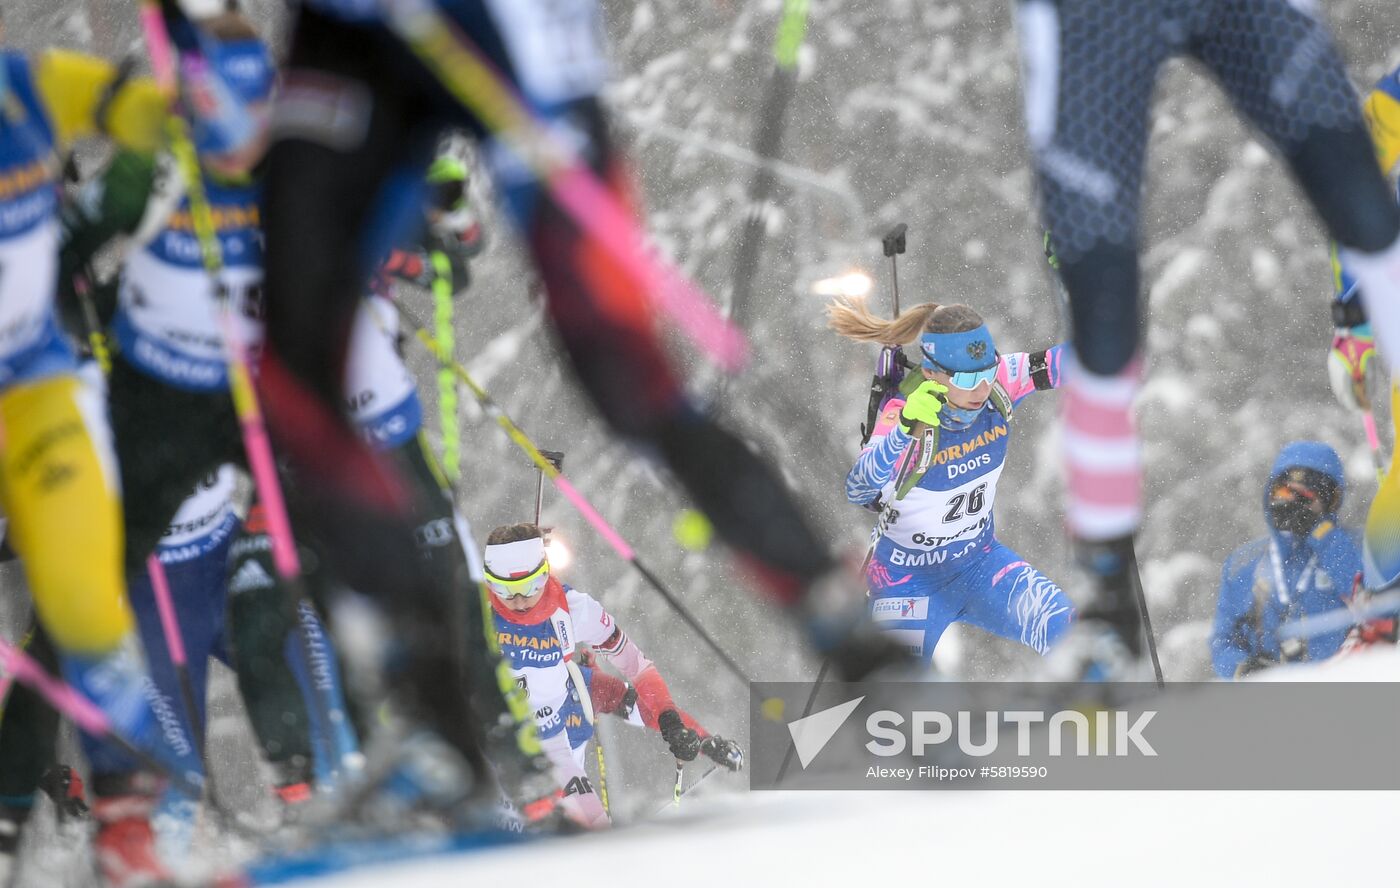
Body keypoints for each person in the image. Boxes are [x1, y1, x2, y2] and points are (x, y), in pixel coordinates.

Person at [257, 0, 905, 688]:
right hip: (349, 36)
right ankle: (430, 719)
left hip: (511, 30)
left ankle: (843, 623)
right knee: (294, 362)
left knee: (626, 373)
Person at [1015, 0, 1400, 676]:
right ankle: (1106, 598)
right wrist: (1351, 325)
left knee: (1365, 206)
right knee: (1103, 301)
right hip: (1098, 18)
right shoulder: (1255, 566)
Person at [830, 296, 1076, 665]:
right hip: (906, 581)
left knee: (1073, 634)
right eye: (967, 378)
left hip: (979, 563)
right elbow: (859, 488)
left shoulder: (999, 384)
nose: (981, 388)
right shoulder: (902, 413)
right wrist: (904, 431)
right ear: (932, 373)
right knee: (894, 700)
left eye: (987, 371)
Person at [483, 523, 742, 827]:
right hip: (488, 748)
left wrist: (681, 727)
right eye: (503, 590)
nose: (518, 601)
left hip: (550, 752)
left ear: (544, 572)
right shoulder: (474, 612)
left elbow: (637, 671)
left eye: (528, 586)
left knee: (594, 832)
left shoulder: (577, 618)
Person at [1212, 441, 1362, 678]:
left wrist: (1323, 535)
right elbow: (1223, 641)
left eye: (1304, 496)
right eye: (1283, 492)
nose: (1291, 503)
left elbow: (1370, 600)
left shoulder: (1358, 547)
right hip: (1269, 703)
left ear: (1329, 500)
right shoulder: (1244, 563)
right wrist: (1243, 668)